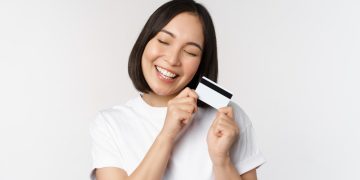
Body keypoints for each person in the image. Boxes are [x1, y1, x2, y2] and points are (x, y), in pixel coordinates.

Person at [90, 0, 265, 179]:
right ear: (145, 41)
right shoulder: (109, 124)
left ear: (201, 62)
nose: (173, 59)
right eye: (164, 41)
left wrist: (222, 160)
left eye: (190, 52)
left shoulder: (228, 117)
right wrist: (167, 134)